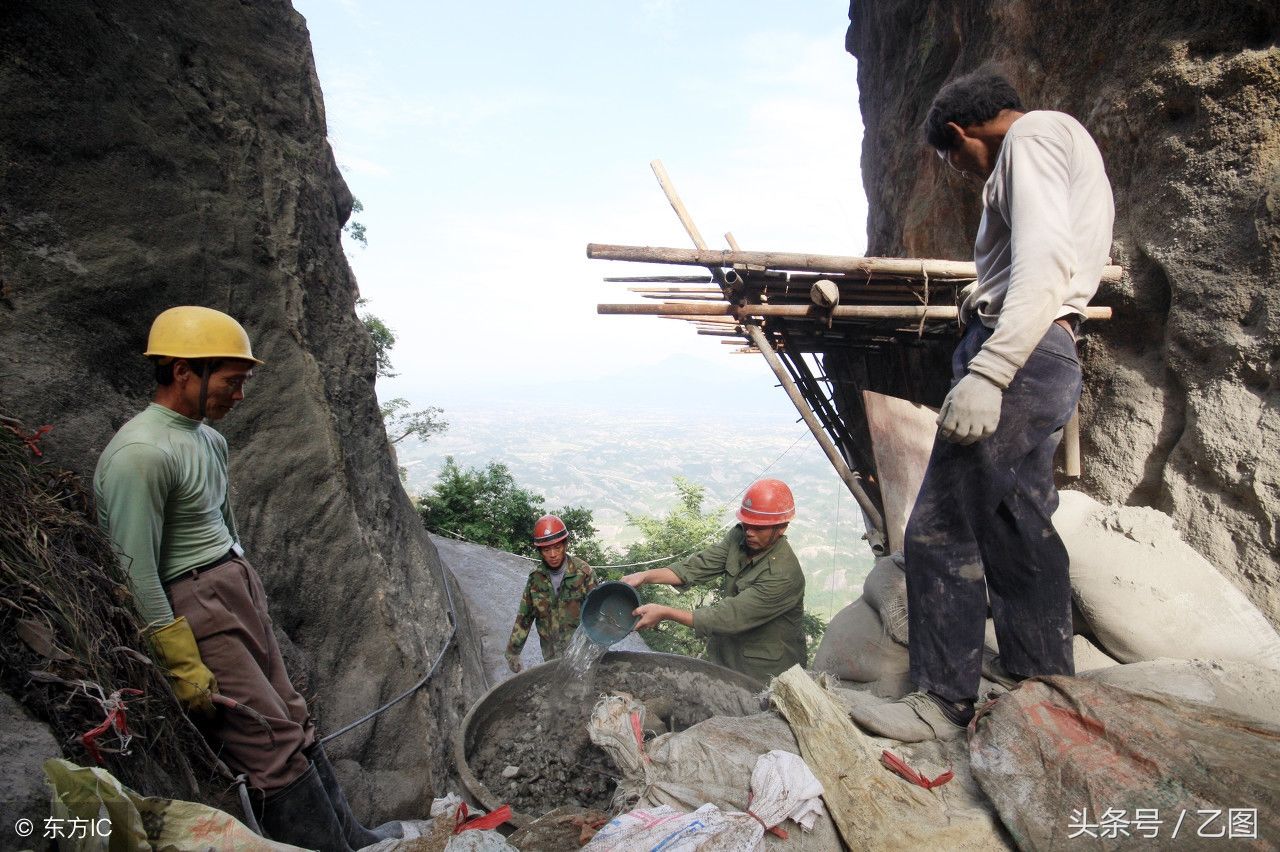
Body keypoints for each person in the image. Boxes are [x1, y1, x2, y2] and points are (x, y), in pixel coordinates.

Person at [851, 68, 1114, 742]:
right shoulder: (1059, 145)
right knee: (1016, 526)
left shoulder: (1029, 137)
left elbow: (1045, 262)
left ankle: (940, 705)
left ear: (963, 133)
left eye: (952, 158)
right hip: (1049, 354)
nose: (962, 172)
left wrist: (991, 371)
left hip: (1019, 355)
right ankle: (1043, 682)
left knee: (939, 527)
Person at [94, 306, 401, 851]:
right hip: (195, 601)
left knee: (293, 712)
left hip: (233, 585)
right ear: (184, 369)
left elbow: (224, 523)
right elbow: (133, 564)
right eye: (231, 382)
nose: (238, 396)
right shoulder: (140, 454)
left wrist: (247, 585)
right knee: (266, 740)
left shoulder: (207, 439)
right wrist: (180, 656)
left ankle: (348, 835)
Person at [621, 479, 806, 684]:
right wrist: (644, 576)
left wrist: (665, 613)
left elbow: (726, 617)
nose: (749, 533)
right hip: (727, 656)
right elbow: (697, 566)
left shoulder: (783, 575)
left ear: (781, 528)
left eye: (758, 528)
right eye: (747, 524)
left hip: (765, 673)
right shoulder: (739, 538)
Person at [504, 514, 599, 671]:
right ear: (540, 551)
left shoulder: (584, 573)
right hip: (551, 653)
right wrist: (513, 652)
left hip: (580, 652)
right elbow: (524, 616)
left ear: (565, 545)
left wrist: (595, 651)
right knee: (556, 689)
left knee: (579, 690)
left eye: (557, 547)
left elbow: (596, 615)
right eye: (547, 550)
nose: (553, 554)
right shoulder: (536, 578)